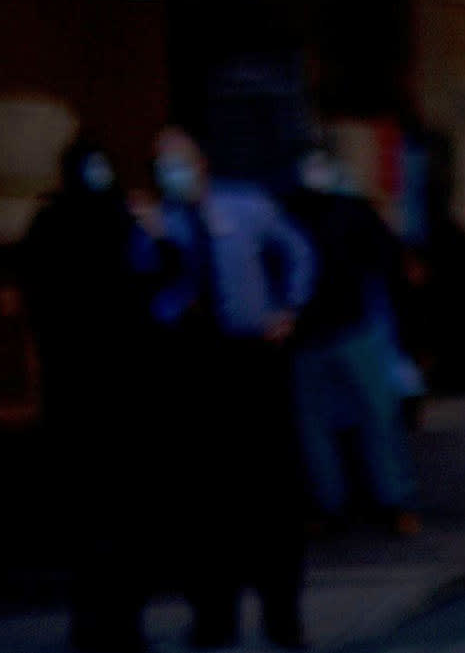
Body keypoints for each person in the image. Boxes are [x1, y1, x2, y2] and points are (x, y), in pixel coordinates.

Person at [139, 126, 317, 650]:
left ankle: (282, 614)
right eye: (162, 163)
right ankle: (213, 615)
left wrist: (290, 310)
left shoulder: (245, 207)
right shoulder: (155, 223)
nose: (174, 172)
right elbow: (145, 286)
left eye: (181, 161)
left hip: (252, 359)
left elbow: (298, 253)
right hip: (194, 364)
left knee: (272, 493)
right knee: (206, 499)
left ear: (202, 162)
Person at [19, 140, 158, 652]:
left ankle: (98, 620)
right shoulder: (114, 222)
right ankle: (117, 621)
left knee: (91, 515)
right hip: (113, 391)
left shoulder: (53, 226)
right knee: (117, 514)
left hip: (80, 393)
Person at [285, 145, 422, 533]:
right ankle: (331, 508)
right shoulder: (291, 213)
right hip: (308, 335)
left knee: (377, 418)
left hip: (355, 329)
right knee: (315, 431)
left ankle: (394, 501)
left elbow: (388, 263)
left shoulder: (353, 212)